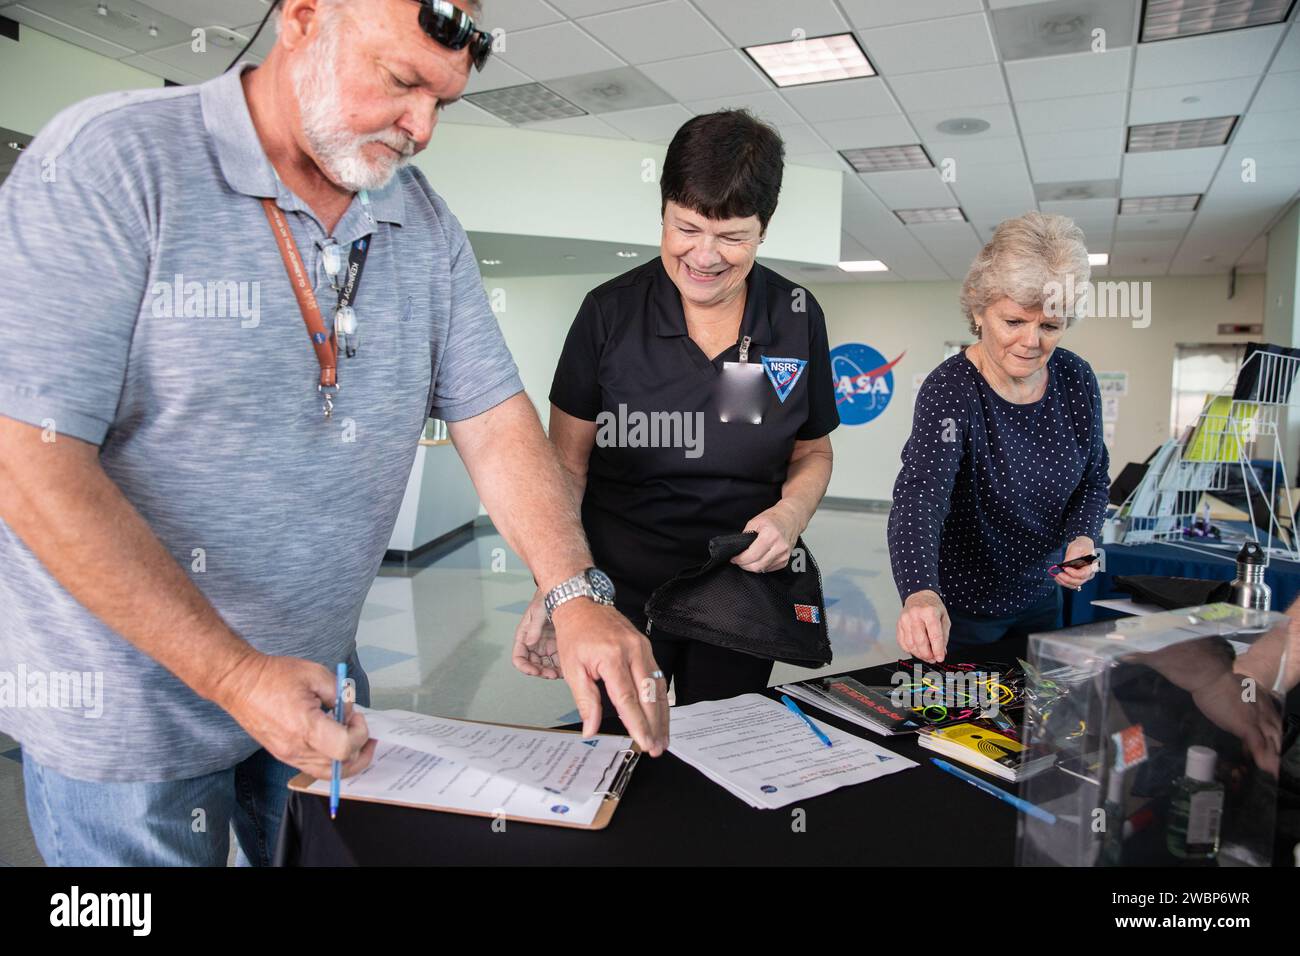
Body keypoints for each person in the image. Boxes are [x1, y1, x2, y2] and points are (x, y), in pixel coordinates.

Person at [0, 0, 666, 867]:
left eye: (446, 102)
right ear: (305, 19)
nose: (422, 126)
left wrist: (574, 591)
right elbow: (28, 461)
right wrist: (235, 677)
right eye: (401, 82)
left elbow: (495, 420)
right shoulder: (113, 161)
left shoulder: (421, 225)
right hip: (127, 718)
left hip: (317, 687)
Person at [511, 110, 839, 711]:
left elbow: (813, 451)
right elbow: (565, 468)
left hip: (739, 586)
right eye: (686, 228)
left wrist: (791, 515)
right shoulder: (608, 314)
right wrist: (558, 587)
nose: (705, 256)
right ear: (662, 212)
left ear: (764, 229)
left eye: (732, 236)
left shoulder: (796, 315)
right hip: (619, 589)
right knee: (623, 750)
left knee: (725, 751)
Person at [888, 212, 1109, 662]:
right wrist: (919, 593)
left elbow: (1093, 477)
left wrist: (1082, 539)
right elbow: (921, 496)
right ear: (978, 309)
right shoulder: (952, 389)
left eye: (1050, 326)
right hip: (960, 611)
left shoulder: (1075, 378)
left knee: (1034, 720)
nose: (1031, 341)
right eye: (1014, 322)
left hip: (1040, 599)